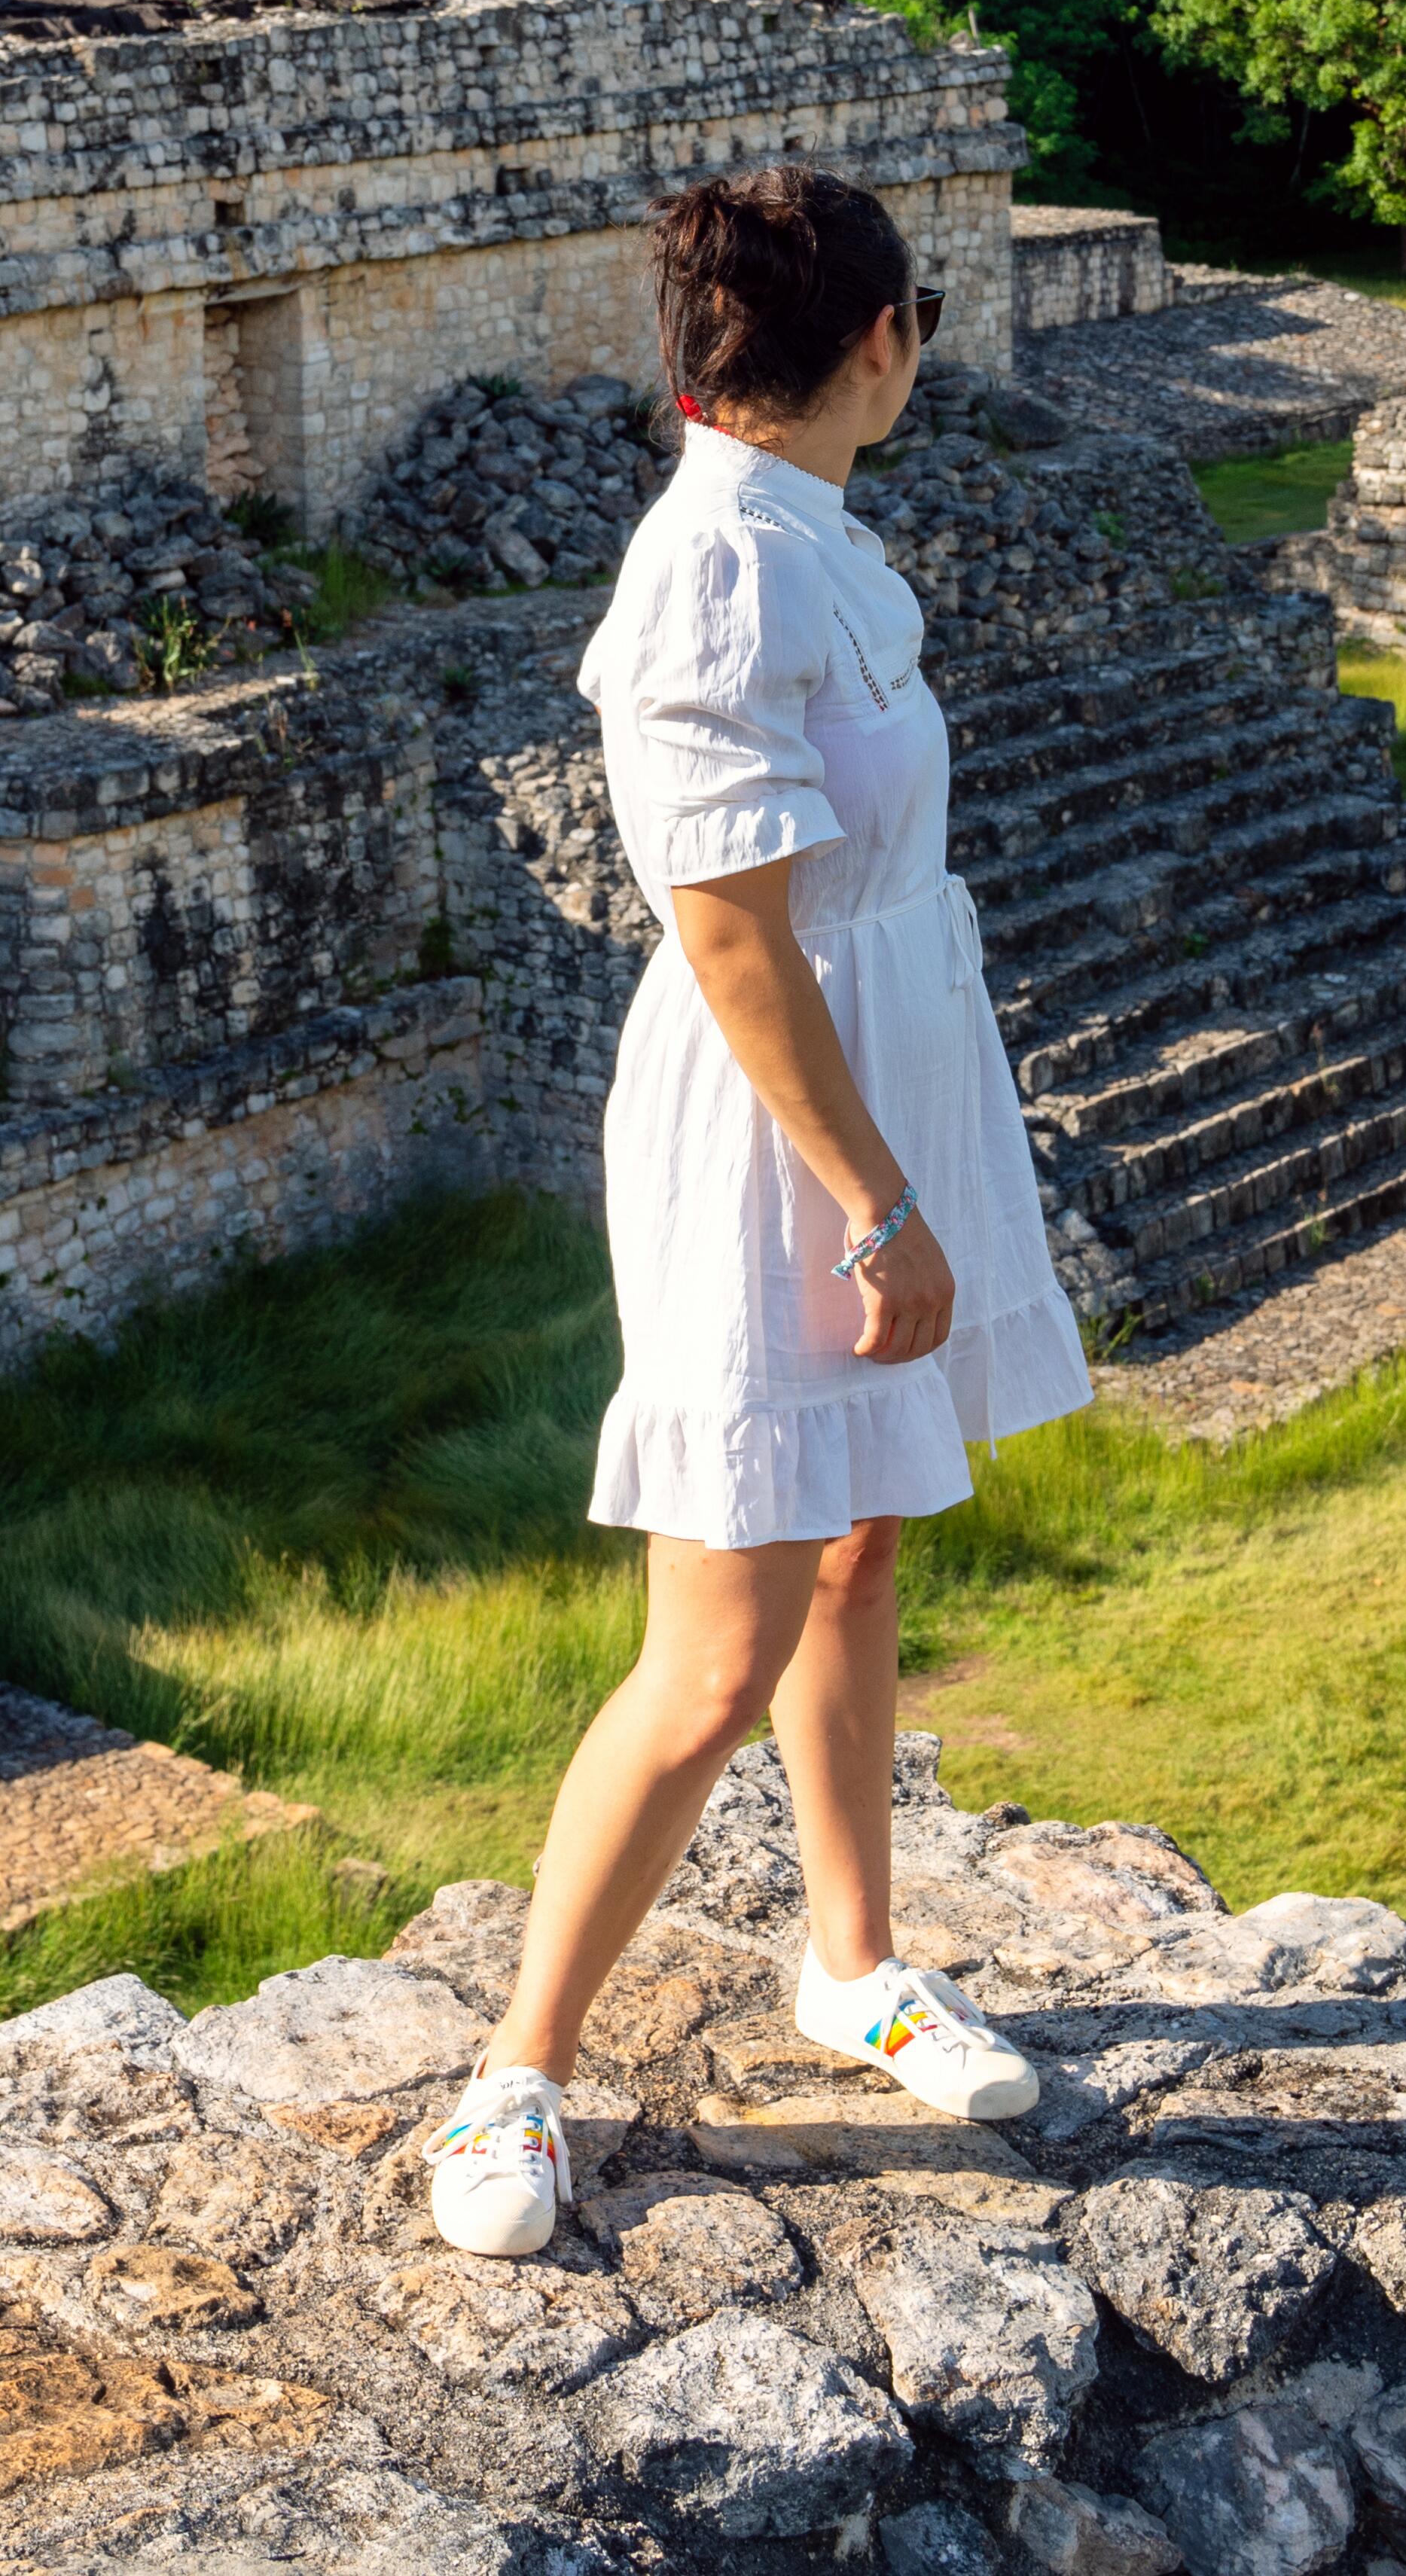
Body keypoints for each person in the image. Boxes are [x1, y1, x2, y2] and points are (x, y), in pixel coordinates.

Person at [421, 163, 1093, 2260]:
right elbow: (727, 940)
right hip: (775, 1123)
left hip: (881, 1062)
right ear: (881, 343)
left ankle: (852, 1955)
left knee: (863, 1529)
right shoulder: (718, 566)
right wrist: (877, 1204)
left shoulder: (812, 534)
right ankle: (515, 2072)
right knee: (713, 1642)